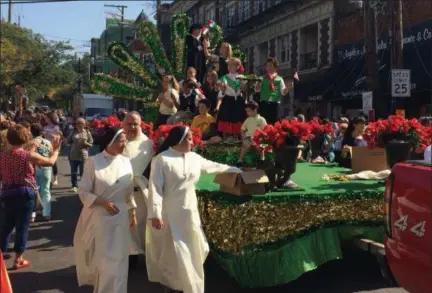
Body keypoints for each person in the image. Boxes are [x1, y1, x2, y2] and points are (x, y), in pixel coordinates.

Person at [146, 125, 242, 293]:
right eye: (189, 139)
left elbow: (214, 166)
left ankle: (189, 284)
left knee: (199, 248)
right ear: (180, 140)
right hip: (170, 213)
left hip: (190, 211)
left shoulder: (194, 158)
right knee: (175, 251)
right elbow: (155, 188)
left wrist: (237, 170)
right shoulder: (161, 159)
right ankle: (174, 285)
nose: (192, 142)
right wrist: (155, 214)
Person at [74, 126, 137, 293]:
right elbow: (83, 191)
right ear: (110, 142)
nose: (125, 145)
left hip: (121, 215)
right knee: (106, 259)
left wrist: (132, 212)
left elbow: (129, 191)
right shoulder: (93, 161)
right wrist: (102, 203)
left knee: (120, 259)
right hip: (100, 216)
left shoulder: (126, 161)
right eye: (122, 142)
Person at [0, 125, 61, 270]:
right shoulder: (27, 155)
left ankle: (1, 256)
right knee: (22, 227)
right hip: (24, 192)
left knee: (6, 226)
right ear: (26, 138)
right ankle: (18, 258)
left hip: (7, 192)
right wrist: (57, 149)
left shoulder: (3, 156)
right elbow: (50, 162)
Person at [122, 112, 154, 270]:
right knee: (127, 229)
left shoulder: (148, 144)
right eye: (129, 124)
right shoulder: (118, 141)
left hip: (141, 194)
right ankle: (130, 260)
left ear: (141, 125)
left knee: (143, 228)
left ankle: (149, 261)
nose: (132, 127)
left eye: (135, 124)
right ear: (123, 125)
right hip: (122, 194)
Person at [215, 58, 247, 143]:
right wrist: (221, 87)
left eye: (232, 64)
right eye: (229, 65)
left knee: (237, 118)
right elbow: (219, 89)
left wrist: (244, 87)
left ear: (238, 66)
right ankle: (225, 138)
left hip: (238, 100)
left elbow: (245, 91)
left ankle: (236, 138)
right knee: (226, 118)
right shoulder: (224, 77)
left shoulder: (242, 78)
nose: (230, 66)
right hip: (228, 100)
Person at [30, 123, 54, 222]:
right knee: (46, 190)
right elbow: (52, 154)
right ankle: (46, 213)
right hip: (46, 167)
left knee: (34, 190)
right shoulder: (47, 142)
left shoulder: (31, 142)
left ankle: (32, 214)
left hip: (34, 167)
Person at [255, 57, 289, 124]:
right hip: (264, 104)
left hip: (275, 104)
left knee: (274, 122)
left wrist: (287, 88)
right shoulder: (261, 78)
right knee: (264, 123)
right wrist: (257, 85)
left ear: (275, 67)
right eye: (267, 66)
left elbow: (283, 92)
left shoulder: (280, 79)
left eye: (270, 66)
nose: (268, 68)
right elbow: (257, 90)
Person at [66, 117, 93, 193]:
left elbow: (91, 144)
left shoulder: (87, 132)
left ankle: (83, 186)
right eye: (77, 123)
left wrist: (85, 143)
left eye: (81, 123)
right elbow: (67, 141)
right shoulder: (73, 132)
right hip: (73, 154)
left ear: (84, 124)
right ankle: (74, 186)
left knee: (83, 172)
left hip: (83, 155)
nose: (79, 125)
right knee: (73, 172)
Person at [237, 102, 267, 166]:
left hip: (258, 138)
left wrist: (259, 138)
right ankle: (240, 160)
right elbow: (242, 129)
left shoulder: (261, 119)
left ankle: (262, 159)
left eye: (249, 111)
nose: (247, 113)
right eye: (246, 111)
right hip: (248, 137)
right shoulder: (247, 119)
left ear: (255, 110)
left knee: (261, 146)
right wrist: (243, 136)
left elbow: (265, 130)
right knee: (245, 145)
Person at [44, 111, 61, 186]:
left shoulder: (56, 127)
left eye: (46, 118)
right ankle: (48, 178)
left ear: (50, 118)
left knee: (53, 163)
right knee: (46, 162)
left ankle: (55, 179)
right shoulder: (45, 127)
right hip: (45, 146)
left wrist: (49, 134)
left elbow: (57, 136)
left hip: (54, 146)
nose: (45, 119)